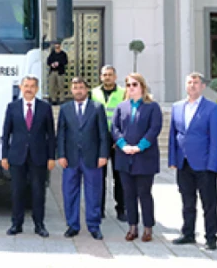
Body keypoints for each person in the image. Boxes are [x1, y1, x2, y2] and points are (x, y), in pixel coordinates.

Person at [168, 72, 217, 250]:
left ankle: (211, 237)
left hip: (204, 163)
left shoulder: (212, 108)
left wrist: (213, 164)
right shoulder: (177, 107)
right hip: (183, 163)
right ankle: (188, 233)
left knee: (209, 203)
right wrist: (172, 158)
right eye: (189, 82)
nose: (192, 85)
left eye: (196, 82)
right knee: (187, 201)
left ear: (203, 86)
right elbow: (173, 135)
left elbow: (215, 137)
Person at [1, 75, 55, 237]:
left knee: (38, 191)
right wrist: (4, 156)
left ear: (37, 89)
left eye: (32, 86)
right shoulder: (12, 107)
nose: (29, 89)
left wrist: (52, 157)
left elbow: (51, 135)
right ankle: (16, 224)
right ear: (21, 88)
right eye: (26, 86)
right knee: (17, 191)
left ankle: (39, 225)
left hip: (39, 156)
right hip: (17, 156)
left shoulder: (45, 107)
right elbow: (6, 132)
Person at [56, 76, 109, 240]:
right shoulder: (65, 109)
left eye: (81, 87)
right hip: (70, 158)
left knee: (94, 192)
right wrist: (61, 154)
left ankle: (94, 226)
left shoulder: (97, 108)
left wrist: (103, 154)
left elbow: (103, 133)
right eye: (75, 87)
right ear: (71, 90)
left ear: (87, 90)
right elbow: (61, 133)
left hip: (92, 157)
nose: (78, 90)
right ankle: (72, 225)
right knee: (69, 192)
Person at [111, 73, 161, 242]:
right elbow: (115, 128)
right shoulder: (121, 107)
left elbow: (154, 129)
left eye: (134, 84)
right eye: (128, 85)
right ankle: (132, 227)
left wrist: (139, 147)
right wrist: (123, 144)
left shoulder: (152, 107)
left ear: (142, 86)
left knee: (144, 193)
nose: (131, 88)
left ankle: (148, 228)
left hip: (144, 158)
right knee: (128, 194)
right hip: (124, 157)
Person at [91, 65, 127, 222]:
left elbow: (126, 117)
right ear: (100, 77)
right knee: (99, 177)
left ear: (115, 76)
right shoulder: (93, 93)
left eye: (110, 74)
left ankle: (121, 209)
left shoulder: (123, 93)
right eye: (104, 74)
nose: (107, 77)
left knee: (119, 178)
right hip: (99, 140)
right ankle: (99, 209)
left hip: (117, 140)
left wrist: (119, 139)